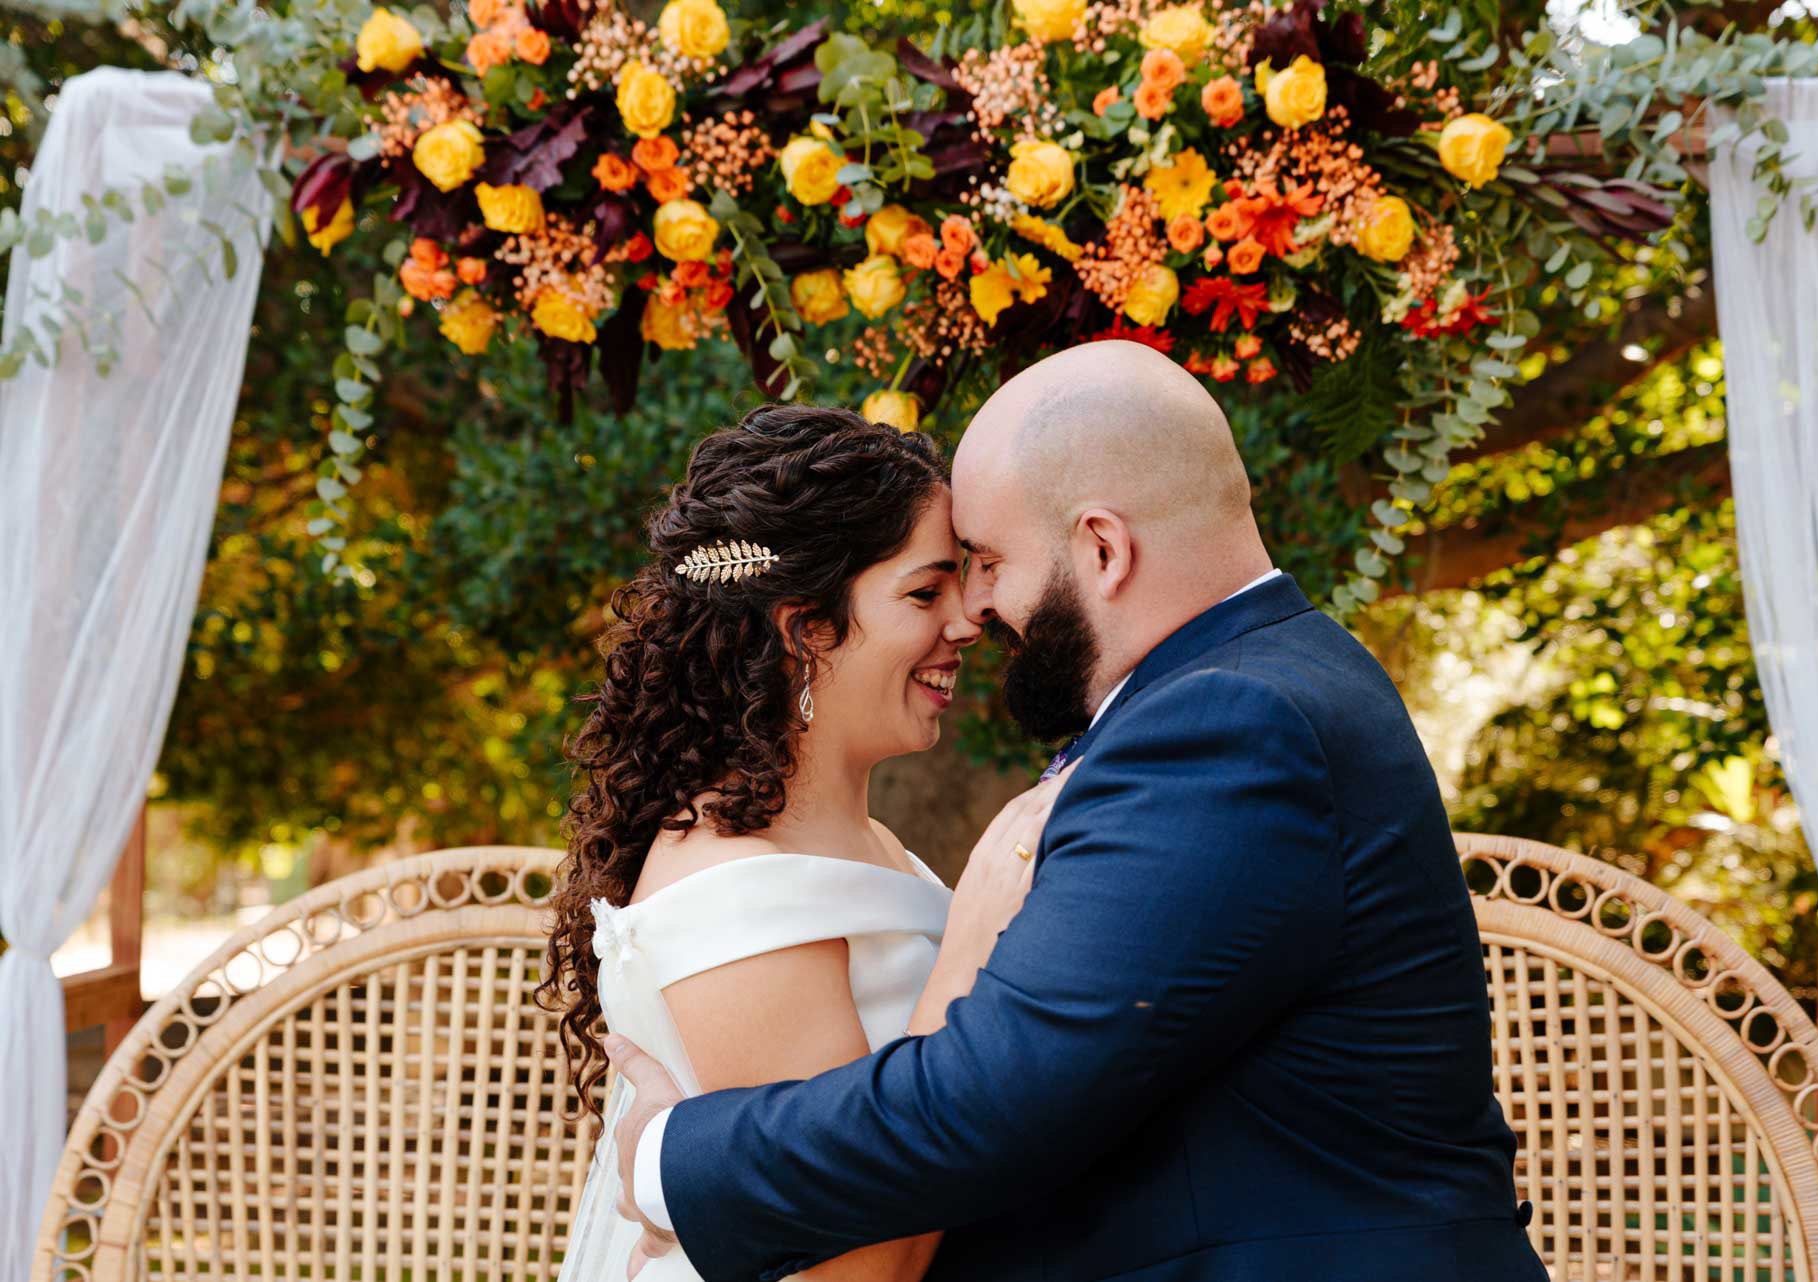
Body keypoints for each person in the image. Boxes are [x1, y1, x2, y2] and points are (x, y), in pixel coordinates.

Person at [605, 341, 1548, 1282]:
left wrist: (667, 1165)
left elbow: (992, 1097)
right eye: (938, 581)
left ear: (1103, 547)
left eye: (985, 563)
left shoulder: (1226, 724)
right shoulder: (1251, 688)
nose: (975, 612)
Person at [538, 404, 1072, 1282]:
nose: (968, 622)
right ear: (804, 629)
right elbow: (855, 1271)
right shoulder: (734, 891)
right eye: (923, 591)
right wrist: (972, 951)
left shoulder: (869, 844)